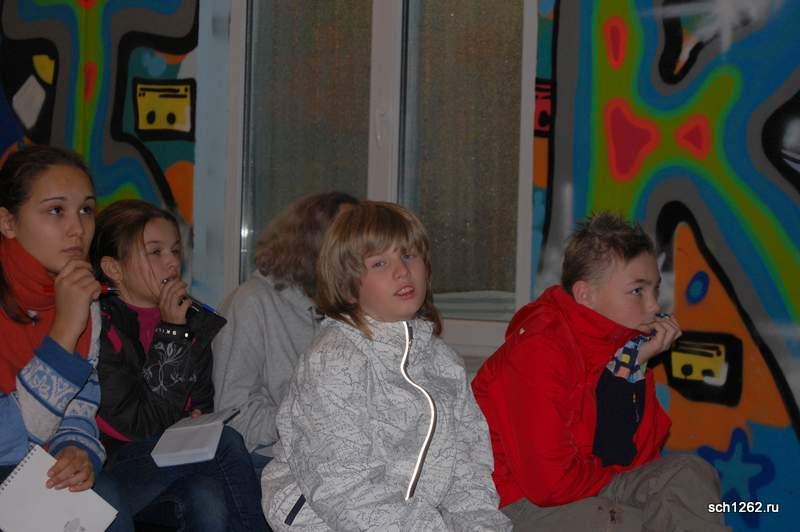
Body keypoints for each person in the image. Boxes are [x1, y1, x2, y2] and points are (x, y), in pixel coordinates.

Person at [261, 201, 511, 531]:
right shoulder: (334, 360)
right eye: (379, 263)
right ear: (348, 285)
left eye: (409, 255)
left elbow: (468, 473)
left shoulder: (444, 364)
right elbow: (344, 488)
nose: (402, 271)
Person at [471, 213, 728, 531]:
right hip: (514, 504)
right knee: (631, 522)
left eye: (655, 290)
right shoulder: (539, 349)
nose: (653, 306)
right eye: (637, 291)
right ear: (586, 295)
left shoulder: (626, 349)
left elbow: (641, 458)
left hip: (587, 486)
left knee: (689, 474)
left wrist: (633, 370)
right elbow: (548, 484)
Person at [90, 199, 267, 531]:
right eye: (155, 252)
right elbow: (137, 426)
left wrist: (197, 419)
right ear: (114, 268)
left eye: (174, 250)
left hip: (170, 462)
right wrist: (172, 332)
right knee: (226, 441)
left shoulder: (194, 321)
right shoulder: (99, 324)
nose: (172, 261)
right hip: (114, 463)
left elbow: (200, 406)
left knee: (207, 495)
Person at [0, 145, 133, 531]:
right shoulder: (76, 303)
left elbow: (80, 406)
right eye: (56, 210)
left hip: (34, 470)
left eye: (86, 210)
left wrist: (76, 450)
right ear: (7, 222)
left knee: (106, 501)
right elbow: (17, 432)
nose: (78, 229)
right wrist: (62, 333)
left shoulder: (79, 296)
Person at [213, 191, 358, 474]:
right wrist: (305, 422)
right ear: (312, 244)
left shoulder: (352, 305)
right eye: (347, 238)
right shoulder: (252, 302)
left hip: (332, 458)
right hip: (267, 460)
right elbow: (232, 415)